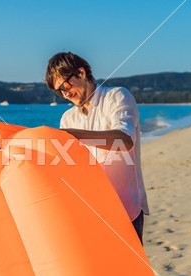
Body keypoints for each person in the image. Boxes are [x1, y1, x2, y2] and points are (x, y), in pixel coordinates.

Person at [45, 52, 149, 244]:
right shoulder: (68, 118)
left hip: (125, 211)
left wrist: (74, 135)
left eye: (65, 85)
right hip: (89, 213)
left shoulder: (117, 96)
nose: (65, 94)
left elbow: (125, 141)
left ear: (81, 73)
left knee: (129, 273)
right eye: (59, 92)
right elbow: (63, 165)